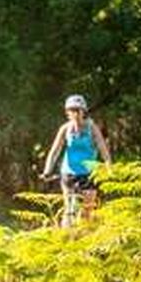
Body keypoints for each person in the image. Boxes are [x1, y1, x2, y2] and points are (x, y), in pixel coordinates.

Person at [41, 94, 112, 227]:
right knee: (69, 210)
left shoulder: (92, 128)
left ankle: (83, 240)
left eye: (77, 110)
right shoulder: (65, 129)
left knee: (87, 210)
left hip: (89, 174)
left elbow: (103, 149)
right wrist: (47, 170)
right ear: (67, 113)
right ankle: (65, 239)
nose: (75, 114)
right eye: (71, 110)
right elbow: (54, 151)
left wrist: (109, 168)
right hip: (69, 173)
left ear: (83, 111)